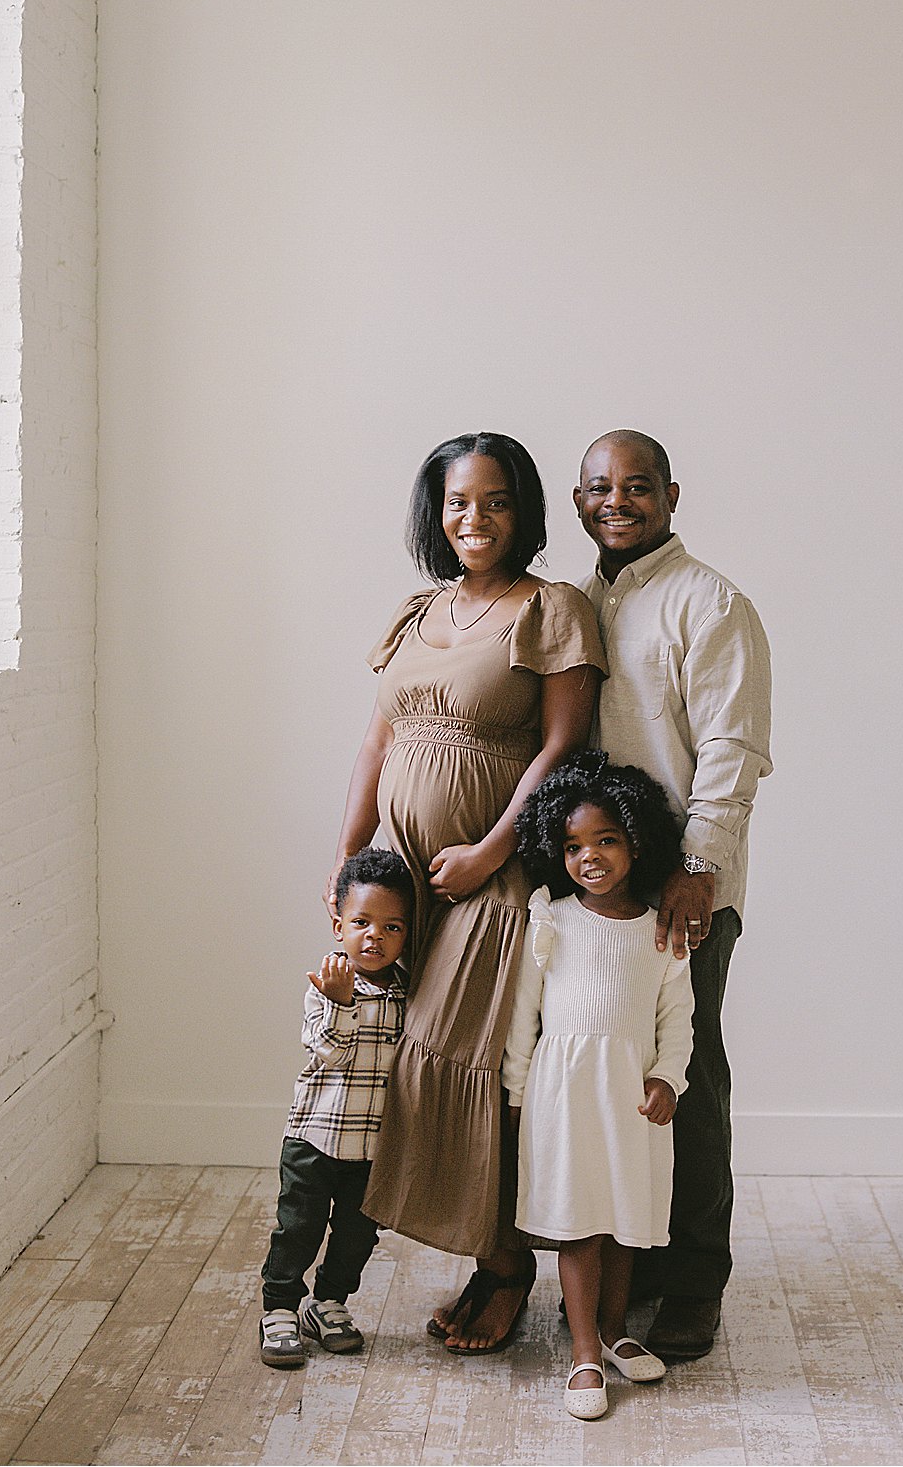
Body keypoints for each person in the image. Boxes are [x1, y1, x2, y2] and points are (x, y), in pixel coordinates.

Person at [325, 432, 607, 1353]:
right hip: (403, 873)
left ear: (522, 511)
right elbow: (377, 744)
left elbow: (563, 746)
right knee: (400, 1055)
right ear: (433, 513)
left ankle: (505, 1268)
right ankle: (484, 1259)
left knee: (460, 1062)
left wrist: (491, 851)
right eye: (455, 502)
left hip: (492, 870)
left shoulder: (552, 608)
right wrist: (347, 863)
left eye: (492, 502)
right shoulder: (417, 612)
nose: (472, 519)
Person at [573, 429, 772, 1362]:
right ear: (577, 502)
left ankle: (693, 1284)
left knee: (686, 1084)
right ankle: (629, 1270)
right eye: (599, 488)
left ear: (671, 494)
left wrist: (696, 871)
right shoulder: (574, 604)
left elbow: (732, 750)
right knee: (602, 1083)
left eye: (637, 486)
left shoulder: (711, 603)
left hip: (680, 890)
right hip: (586, 889)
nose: (617, 501)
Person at [503, 751, 695, 1418]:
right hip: (563, 1098)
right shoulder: (550, 919)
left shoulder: (660, 931)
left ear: (636, 840)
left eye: (605, 840)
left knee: (621, 1222)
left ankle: (614, 1329)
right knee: (580, 1224)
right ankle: (583, 1349)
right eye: (572, 844)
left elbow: (677, 1018)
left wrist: (668, 1076)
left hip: (629, 1100)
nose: (588, 856)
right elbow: (523, 1015)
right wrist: (518, 1093)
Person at [258, 846, 412, 1368]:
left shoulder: (406, 992)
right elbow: (328, 1051)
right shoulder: (326, 984)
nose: (375, 936)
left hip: (371, 1147)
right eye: (363, 922)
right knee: (298, 1226)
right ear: (338, 924)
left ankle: (328, 1304)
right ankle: (279, 1308)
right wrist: (343, 1003)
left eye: (392, 927)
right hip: (316, 1137)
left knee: (356, 1234)